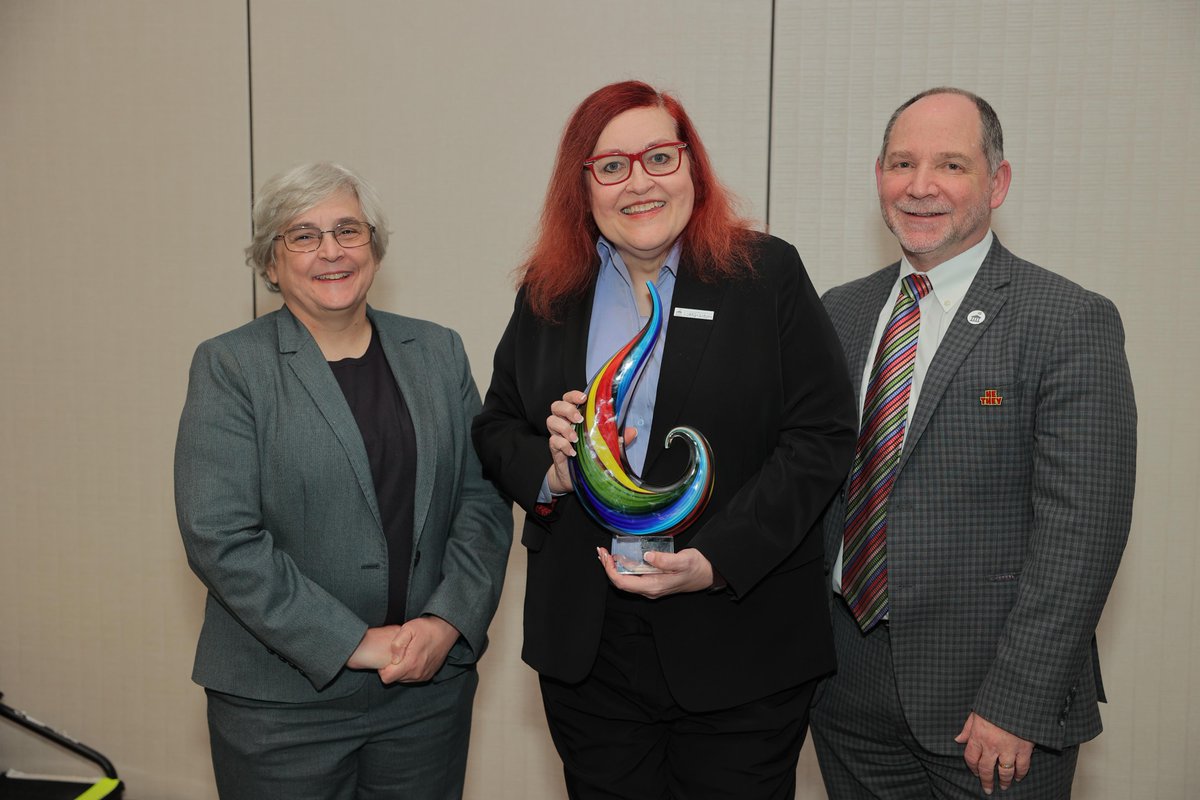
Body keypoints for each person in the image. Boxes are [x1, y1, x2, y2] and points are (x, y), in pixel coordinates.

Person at [471, 80, 857, 799]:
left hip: (739, 636)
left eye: (659, 156)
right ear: (581, 187)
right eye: (611, 166)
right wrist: (552, 472)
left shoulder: (764, 275)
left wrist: (714, 560)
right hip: (591, 650)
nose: (639, 182)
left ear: (692, 169)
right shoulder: (551, 292)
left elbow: (820, 437)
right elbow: (496, 426)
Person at [810, 88, 1137, 798]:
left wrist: (1017, 699)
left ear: (997, 182)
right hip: (846, 696)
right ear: (878, 177)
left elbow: (1082, 534)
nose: (920, 186)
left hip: (989, 711)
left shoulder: (1066, 320)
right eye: (902, 162)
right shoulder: (840, 311)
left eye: (951, 165)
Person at [174, 162, 511, 800]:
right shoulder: (230, 366)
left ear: (374, 250)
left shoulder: (438, 352)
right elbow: (219, 535)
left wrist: (447, 622)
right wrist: (352, 642)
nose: (330, 250)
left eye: (348, 231)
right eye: (302, 236)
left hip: (425, 695)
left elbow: (482, 501)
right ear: (270, 264)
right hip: (280, 706)